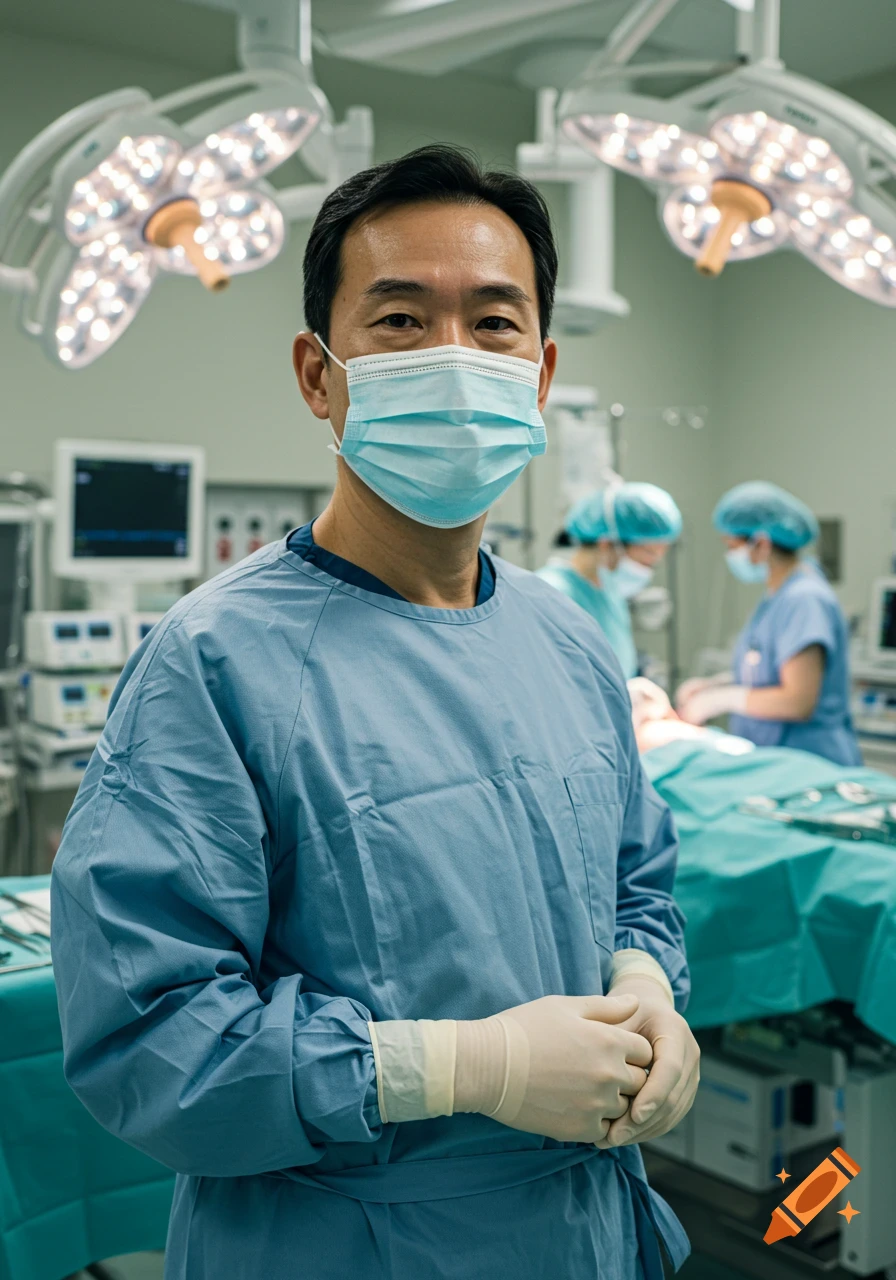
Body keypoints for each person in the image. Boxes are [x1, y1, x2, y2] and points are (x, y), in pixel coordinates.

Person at [50, 145, 699, 1280]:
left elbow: (633, 883)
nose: (453, 355)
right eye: (400, 320)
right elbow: (148, 1044)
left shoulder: (567, 642)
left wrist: (646, 984)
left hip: (587, 1232)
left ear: (539, 372)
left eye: (493, 323)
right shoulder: (212, 665)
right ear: (318, 373)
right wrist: (456, 1065)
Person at [677, 481, 861, 766]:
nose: (729, 556)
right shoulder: (777, 595)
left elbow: (796, 701)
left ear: (761, 543)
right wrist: (716, 685)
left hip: (811, 764)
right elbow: (770, 669)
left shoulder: (804, 599)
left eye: (731, 546)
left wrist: (721, 700)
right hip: (782, 761)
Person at [537, 482, 683, 679]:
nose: (650, 568)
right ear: (607, 544)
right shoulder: (549, 593)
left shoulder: (609, 592)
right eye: (649, 554)